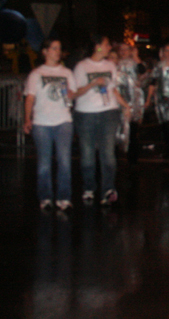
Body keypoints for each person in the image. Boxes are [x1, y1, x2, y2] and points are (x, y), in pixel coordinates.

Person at [73, 35, 130, 205]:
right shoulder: (82, 66)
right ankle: (89, 187)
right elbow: (75, 92)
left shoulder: (110, 65)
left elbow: (113, 90)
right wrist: (92, 84)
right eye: (106, 45)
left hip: (108, 112)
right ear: (97, 46)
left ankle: (108, 188)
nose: (109, 48)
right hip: (86, 113)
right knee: (88, 154)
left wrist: (125, 106)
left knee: (108, 154)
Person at [23, 39, 77, 211]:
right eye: (54, 48)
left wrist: (70, 95)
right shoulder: (36, 74)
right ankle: (45, 197)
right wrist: (27, 119)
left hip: (63, 120)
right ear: (45, 51)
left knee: (64, 161)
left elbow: (72, 94)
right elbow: (30, 98)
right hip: (42, 122)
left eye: (59, 49)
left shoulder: (67, 72)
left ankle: (64, 198)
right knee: (44, 162)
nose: (57, 51)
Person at [115, 42, 146, 164]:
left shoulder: (134, 63)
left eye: (126, 49)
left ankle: (132, 160)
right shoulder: (115, 62)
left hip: (133, 100)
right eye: (121, 49)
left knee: (133, 130)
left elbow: (143, 71)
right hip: (118, 99)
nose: (123, 52)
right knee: (118, 129)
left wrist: (136, 57)